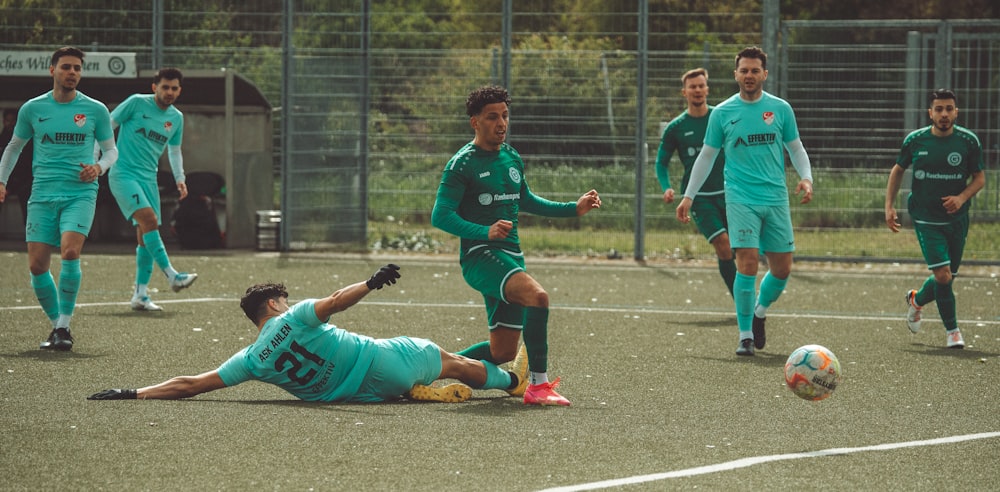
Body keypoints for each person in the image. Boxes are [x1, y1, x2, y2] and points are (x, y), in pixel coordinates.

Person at [88, 264, 528, 403]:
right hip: (381, 361)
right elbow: (336, 300)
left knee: (440, 364)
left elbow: (192, 384)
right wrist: (371, 283)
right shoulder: (294, 317)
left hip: (357, 396)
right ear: (275, 304)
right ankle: (512, 383)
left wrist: (133, 393)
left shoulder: (252, 359)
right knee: (451, 360)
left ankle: (421, 387)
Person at [431, 85, 602, 406]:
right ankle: (538, 386)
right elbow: (440, 216)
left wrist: (573, 208)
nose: (501, 123)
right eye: (492, 117)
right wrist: (485, 231)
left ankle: (430, 368)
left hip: (510, 257)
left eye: (505, 116)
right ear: (475, 122)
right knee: (538, 297)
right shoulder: (461, 164)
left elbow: (526, 199)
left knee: (503, 352)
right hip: (480, 257)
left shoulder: (511, 157)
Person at [675, 46, 813, 356]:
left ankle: (759, 311)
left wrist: (806, 178)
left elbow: (796, 148)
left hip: (776, 199)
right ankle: (745, 335)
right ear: (735, 74)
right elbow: (707, 156)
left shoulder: (780, 109)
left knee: (781, 270)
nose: (749, 75)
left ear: (764, 74)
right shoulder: (723, 113)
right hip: (740, 198)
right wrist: (688, 197)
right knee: (747, 263)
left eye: (754, 70)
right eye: (744, 70)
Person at [0, 46, 117, 351]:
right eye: (66, 67)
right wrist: (1, 180)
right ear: (52, 70)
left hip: (80, 193)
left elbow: (111, 151)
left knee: (69, 251)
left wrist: (98, 167)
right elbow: (14, 147)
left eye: (77, 68)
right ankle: (58, 326)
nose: (72, 73)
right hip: (42, 194)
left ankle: (63, 325)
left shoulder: (95, 110)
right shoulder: (32, 109)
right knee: (38, 266)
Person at [885, 88, 985, 349]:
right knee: (942, 275)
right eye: (939, 109)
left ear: (956, 112)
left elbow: (980, 178)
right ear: (930, 112)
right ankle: (953, 332)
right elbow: (897, 170)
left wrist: (961, 198)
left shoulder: (969, 142)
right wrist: (889, 206)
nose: (944, 114)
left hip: (957, 219)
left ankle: (916, 300)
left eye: (949, 109)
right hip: (926, 217)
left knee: (948, 274)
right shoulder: (916, 141)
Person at [107, 67, 197, 312]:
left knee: (146, 234)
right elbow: (108, 124)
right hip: (123, 173)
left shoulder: (176, 118)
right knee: (150, 219)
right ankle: (172, 275)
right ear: (154, 86)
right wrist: (99, 159)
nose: (169, 92)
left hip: (148, 178)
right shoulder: (136, 103)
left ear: (179, 90)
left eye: (174, 88)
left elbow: (175, 150)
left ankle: (140, 295)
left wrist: (180, 178)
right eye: (165, 87)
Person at [655, 68, 735, 296]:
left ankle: (744, 293)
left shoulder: (721, 118)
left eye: (701, 86)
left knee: (739, 248)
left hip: (731, 192)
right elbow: (661, 163)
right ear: (685, 92)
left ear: (707, 89)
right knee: (722, 243)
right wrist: (666, 187)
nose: (697, 90)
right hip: (699, 198)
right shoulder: (676, 128)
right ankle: (741, 300)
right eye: (693, 87)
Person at [0, 108, 33, 226]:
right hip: (4, 180)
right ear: (3, 121)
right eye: (7, 120)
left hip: (23, 180)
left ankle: (30, 232)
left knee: (27, 199)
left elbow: (26, 164)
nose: (10, 123)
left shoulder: (26, 140)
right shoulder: (2, 139)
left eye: (13, 121)